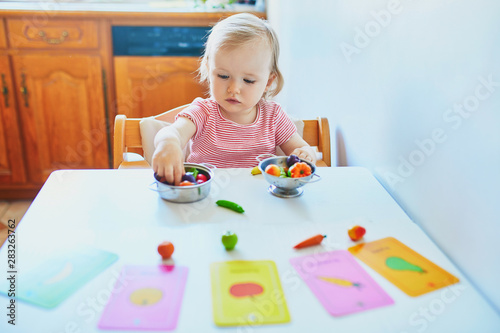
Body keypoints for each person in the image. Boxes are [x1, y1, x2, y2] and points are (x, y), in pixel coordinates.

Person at [152, 13, 316, 185]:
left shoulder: (273, 116)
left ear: (268, 81)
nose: (233, 89)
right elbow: (173, 132)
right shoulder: (203, 112)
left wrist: (306, 154)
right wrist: (168, 142)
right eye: (223, 76)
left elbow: (302, 148)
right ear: (209, 70)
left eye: (248, 80)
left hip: (259, 200)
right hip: (206, 200)